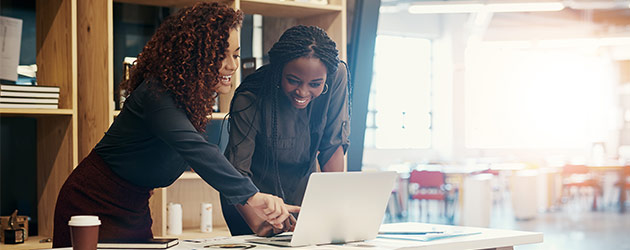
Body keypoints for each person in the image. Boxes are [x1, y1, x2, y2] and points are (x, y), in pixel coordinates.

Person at [52, 3, 297, 247]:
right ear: (193, 54)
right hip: (89, 205)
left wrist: (255, 207)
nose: (231, 65)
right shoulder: (156, 94)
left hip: (134, 209)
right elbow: (197, 150)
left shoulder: (190, 101)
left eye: (234, 54)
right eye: (219, 55)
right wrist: (254, 196)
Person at [221, 25, 351, 236]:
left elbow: (332, 144)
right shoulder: (250, 97)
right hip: (250, 203)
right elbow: (237, 172)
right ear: (279, 69)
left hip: (300, 196)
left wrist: (335, 208)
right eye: (293, 81)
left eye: (315, 84)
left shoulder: (336, 75)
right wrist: (261, 224)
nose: (303, 91)